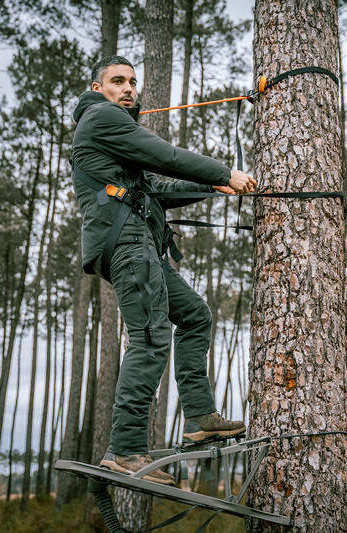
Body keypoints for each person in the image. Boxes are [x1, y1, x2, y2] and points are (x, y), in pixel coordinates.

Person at [71, 55, 255, 485]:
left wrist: (213, 184)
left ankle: (199, 418)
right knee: (151, 336)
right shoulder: (101, 117)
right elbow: (165, 156)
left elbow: (157, 187)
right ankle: (126, 449)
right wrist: (225, 171)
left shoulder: (117, 138)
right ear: (98, 88)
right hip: (128, 244)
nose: (129, 88)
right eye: (118, 81)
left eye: (133, 82)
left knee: (194, 315)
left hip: (141, 246)